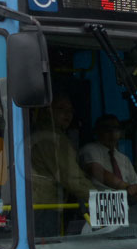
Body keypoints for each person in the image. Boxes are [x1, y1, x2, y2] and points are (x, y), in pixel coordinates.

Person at [31, 93, 95, 236]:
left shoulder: (43, 133)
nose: (67, 114)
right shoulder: (52, 137)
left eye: (70, 110)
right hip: (45, 207)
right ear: (47, 110)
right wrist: (100, 199)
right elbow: (73, 179)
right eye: (61, 109)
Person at [79, 114, 137, 203]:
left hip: (125, 207)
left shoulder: (124, 159)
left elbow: (135, 186)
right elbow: (96, 171)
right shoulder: (90, 149)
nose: (112, 134)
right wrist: (126, 187)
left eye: (116, 129)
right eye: (107, 130)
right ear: (97, 131)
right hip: (99, 206)